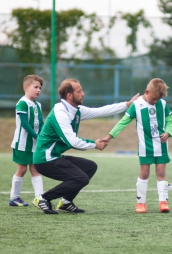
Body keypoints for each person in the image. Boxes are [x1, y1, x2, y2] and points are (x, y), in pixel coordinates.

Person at [32, 78, 139, 214]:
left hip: (53, 157)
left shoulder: (76, 110)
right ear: (69, 95)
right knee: (80, 178)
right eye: (79, 91)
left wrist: (127, 104)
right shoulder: (60, 112)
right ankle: (43, 198)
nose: (83, 94)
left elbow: (101, 111)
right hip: (45, 160)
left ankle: (66, 202)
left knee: (90, 167)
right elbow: (72, 141)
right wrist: (95, 144)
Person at [101, 78, 172, 214]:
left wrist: (168, 132)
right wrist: (109, 136)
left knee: (161, 173)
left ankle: (163, 202)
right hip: (145, 147)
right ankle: (141, 203)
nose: (155, 101)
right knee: (144, 173)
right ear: (147, 92)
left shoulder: (163, 104)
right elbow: (123, 122)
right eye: (153, 98)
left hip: (162, 147)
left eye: (157, 99)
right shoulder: (136, 105)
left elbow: (170, 120)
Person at [9, 75, 44, 207]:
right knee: (22, 169)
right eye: (36, 87)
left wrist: (43, 135)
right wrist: (37, 136)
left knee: (36, 169)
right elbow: (25, 124)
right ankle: (14, 198)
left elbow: (41, 123)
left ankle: (39, 198)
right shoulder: (22, 103)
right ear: (26, 87)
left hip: (35, 144)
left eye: (40, 88)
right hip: (22, 143)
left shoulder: (38, 105)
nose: (38, 90)